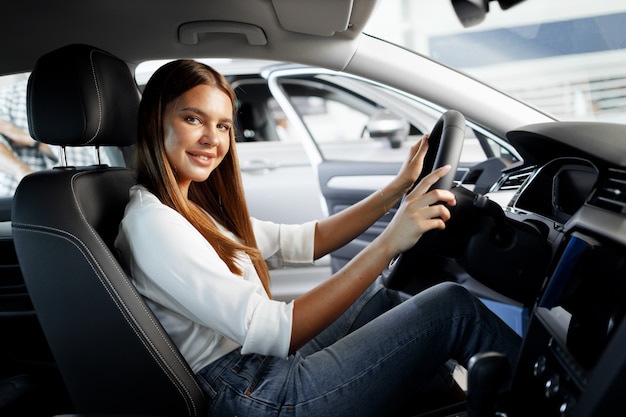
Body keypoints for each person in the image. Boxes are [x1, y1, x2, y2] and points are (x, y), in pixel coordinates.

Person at [114, 59, 521, 417]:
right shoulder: (152, 223)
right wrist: (390, 242)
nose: (213, 139)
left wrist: (396, 190)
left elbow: (305, 241)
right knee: (452, 309)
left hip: (256, 373)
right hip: (257, 397)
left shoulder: (189, 209)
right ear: (155, 121)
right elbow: (275, 330)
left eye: (222, 125)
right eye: (193, 119)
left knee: (380, 299)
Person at [0, 79, 108, 196]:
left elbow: (83, 166)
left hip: (69, 196)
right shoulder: (8, 97)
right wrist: (21, 170)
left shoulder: (89, 102)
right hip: (13, 196)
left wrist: (35, 143)